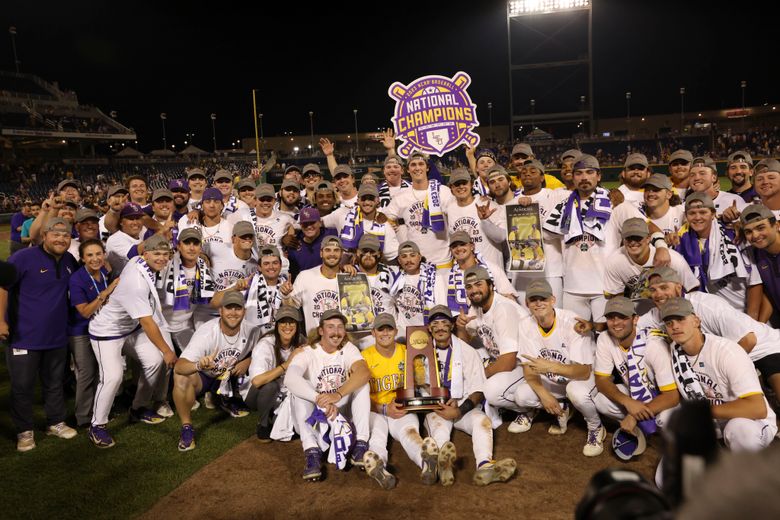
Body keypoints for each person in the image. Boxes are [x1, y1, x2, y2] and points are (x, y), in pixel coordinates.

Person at [639, 266, 780, 407]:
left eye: (664, 287)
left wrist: (717, 369)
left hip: (765, 347)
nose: (658, 294)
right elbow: (632, 327)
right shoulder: (656, 314)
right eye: (653, 290)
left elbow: (749, 339)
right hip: (727, 357)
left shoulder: (706, 305)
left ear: (678, 287)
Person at [87, 234, 177, 448]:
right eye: (156, 254)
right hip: (107, 332)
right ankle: (97, 425)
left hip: (129, 328)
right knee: (113, 376)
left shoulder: (138, 260)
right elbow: (147, 322)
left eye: (165, 254)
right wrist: (167, 350)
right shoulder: (135, 282)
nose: (162, 258)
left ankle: (138, 408)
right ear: (145, 254)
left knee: (154, 361)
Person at [1, 218, 79, 452]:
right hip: (23, 335)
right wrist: (0, 320)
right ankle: (24, 431)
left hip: (56, 336)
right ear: (44, 235)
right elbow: (2, 286)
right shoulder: (23, 258)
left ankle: (55, 422)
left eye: (65, 235)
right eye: (55, 234)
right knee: (22, 386)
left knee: (54, 382)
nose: (61, 239)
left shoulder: (68, 260)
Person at [660, 297, 777, 451]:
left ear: (696, 321)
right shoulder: (674, 351)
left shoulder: (726, 352)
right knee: (664, 418)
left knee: (738, 429)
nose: (675, 326)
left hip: (751, 421)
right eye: (669, 323)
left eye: (680, 319)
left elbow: (757, 408)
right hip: (714, 421)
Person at [423, 305, 517, 486]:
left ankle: (484, 466)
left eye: (445, 322)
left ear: (452, 325)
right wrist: (437, 401)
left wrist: (459, 411)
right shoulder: (421, 353)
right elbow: (419, 387)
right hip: (436, 407)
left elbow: (479, 390)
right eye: (436, 323)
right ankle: (444, 464)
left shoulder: (467, 351)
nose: (440, 327)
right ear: (429, 328)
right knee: (439, 428)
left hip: (462, 405)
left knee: (482, 422)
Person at [508, 280, 601, 456]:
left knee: (576, 392)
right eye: (533, 299)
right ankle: (562, 406)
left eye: (543, 298)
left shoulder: (571, 322)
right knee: (521, 396)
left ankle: (596, 427)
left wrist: (551, 366)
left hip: (583, 380)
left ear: (553, 300)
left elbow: (583, 371)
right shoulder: (525, 325)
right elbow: (528, 368)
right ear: (527, 304)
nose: (538, 303)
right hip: (555, 380)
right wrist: (545, 396)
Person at [585, 297, 679, 456]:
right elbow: (601, 380)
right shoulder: (605, 338)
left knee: (664, 418)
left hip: (666, 399)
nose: (616, 323)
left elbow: (672, 396)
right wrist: (627, 402)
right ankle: (639, 427)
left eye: (623, 317)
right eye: (611, 318)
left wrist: (634, 415)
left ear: (635, 319)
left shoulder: (654, 345)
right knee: (601, 400)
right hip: (636, 394)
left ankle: (668, 439)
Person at [284, 309, 371, 481]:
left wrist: (337, 395)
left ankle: (361, 444)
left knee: (362, 384)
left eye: (340, 327)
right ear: (321, 331)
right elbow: (290, 378)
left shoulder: (348, 348)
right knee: (300, 391)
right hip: (314, 417)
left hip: (339, 411)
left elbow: (363, 372)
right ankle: (311, 452)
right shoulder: (308, 352)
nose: (336, 332)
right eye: (330, 327)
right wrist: (320, 398)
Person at [172, 291, 259, 451]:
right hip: (204, 376)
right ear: (220, 311)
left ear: (244, 311)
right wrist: (198, 365)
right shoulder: (207, 333)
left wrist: (249, 360)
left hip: (228, 375)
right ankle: (186, 427)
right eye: (228, 308)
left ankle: (224, 398)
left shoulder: (252, 330)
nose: (233, 313)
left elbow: (267, 343)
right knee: (181, 378)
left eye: (237, 308)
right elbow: (179, 366)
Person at [362, 313, 438, 489]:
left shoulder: (407, 352)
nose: (385, 333)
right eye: (381, 329)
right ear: (373, 332)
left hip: (401, 406)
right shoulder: (364, 357)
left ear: (396, 331)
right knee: (377, 436)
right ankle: (380, 469)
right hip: (375, 409)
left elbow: (422, 381)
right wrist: (382, 409)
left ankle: (427, 464)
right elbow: (358, 397)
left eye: (389, 328)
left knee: (409, 433)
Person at [543, 154, 614, 327]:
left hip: (604, 286)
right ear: (573, 177)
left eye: (590, 172)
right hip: (573, 287)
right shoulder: (562, 205)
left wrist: (660, 242)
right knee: (575, 337)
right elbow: (546, 234)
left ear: (598, 176)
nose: (584, 177)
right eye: (579, 173)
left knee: (607, 335)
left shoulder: (613, 202)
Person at [455, 266, 527, 428]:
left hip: (527, 365)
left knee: (491, 390)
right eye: (469, 287)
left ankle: (529, 410)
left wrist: (479, 376)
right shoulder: (476, 307)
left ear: (491, 285)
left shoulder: (503, 308)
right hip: (508, 362)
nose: (474, 290)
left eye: (479, 284)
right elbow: (463, 345)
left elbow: (509, 361)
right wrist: (461, 328)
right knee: (468, 357)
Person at [674, 192, 762, 316]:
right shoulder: (680, 242)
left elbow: (754, 282)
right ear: (686, 216)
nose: (697, 217)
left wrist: (752, 320)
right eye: (692, 213)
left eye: (703, 212)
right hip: (710, 315)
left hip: (742, 310)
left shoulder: (735, 236)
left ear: (713, 214)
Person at [68, 239, 119, 428]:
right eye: (89, 255)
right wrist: (106, 292)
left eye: (98, 254)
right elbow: (85, 312)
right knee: (87, 373)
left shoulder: (105, 272)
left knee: (102, 372)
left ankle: (100, 411)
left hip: (103, 329)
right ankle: (83, 417)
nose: (95, 258)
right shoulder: (77, 279)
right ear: (82, 258)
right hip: (81, 331)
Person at [603, 218, 698, 313]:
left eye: (637, 237)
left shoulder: (673, 258)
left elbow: (692, 290)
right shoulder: (615, 261)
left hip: (674, 307)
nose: (632, 242)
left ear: (648, 238)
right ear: (623, 240)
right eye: (628, 238)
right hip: (640, 309)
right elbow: (616, 297)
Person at [508, 160, 570, 303]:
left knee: (554, 313)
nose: (527, 174)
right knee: (524, 316)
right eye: (524, 172)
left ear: (542, 177)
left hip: (551, 270)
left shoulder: (556, 196)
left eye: (533, 171)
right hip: (522, 269)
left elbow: (582, 194)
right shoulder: (513, 203)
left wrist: (609, 193)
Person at [383, 151, 454, 270]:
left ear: (427, 168)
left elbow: (454, 220)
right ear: (408, 170)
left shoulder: (443, 191)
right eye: (413, 165)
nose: (417, 168)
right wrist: (392, 227)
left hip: (443, 261)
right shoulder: (401, 196)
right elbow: (383, 220)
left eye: (421, 164)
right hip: (415, 265)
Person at [247, 305, 306, 442]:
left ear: (297, 325)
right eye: (283, 322)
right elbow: (257, 381)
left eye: (291, 322)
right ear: (276, 324)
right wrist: (286, 364)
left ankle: (276, 416)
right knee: (270, 386)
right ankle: (263, 424)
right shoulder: (266, 344)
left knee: (291, 428)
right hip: (257, 395)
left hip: (285, 393)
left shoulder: (301, 341)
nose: (287, 326)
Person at [156, 228, 215, 351]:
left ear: (200, 247)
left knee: (196, 357)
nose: (191, 248)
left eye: (195, 243)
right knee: (162, 362)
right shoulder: (165, 264)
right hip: (160, 323)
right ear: (179, 246)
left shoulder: (204, 268)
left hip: (184, 324)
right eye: (187, 243)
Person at [213, 245, 286, 336]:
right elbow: (214, 302)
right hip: (252, 339)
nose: (271, 267)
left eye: (275, 263)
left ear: (281, 265)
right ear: (259, 267)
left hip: (280, 339)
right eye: (266, 264)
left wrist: (286, 296)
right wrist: (235, 289)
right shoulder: (249, 283)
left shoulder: (287, 286)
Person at [283, 235, 345, 337]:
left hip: (340, 342)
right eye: (328, 250)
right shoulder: (305, 276)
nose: (332, 254)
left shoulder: (349, 280)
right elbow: (291, 307)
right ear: (321, 253)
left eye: (336, 250)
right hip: (315, 343)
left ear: (342, 254)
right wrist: (286, 295)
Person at [444, 168, 505, 269]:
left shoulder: (487, 204)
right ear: (451, 188)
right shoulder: (450, 209)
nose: (461, 187)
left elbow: (501, 238)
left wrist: (486, 221)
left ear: (471, 184)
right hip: (467, 274)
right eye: (457, 184)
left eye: (464, 183)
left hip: (491, 270)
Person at [328, 182, 399, 262]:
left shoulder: (384, 225)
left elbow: (393, 255)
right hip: (351, 266)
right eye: (364, 198)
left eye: (371, 199)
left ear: (377, 200)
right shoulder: (346, 218)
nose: (367, 202)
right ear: (358, 200)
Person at [446, 231, 516, 313]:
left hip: (493, 318)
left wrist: (492, 300)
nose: (458, 249)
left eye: (462, 244)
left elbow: (511, 298)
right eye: (454, 246)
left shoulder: (491, 267)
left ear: (472, 246)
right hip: (463, 322)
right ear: (451, 251)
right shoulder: (448, 276)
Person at [390, 241, 447, 340]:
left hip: (429, 330)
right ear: (399, 260)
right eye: (404, 256)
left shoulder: (435, 277)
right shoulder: (395, 278)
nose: (408, 260)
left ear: (419, 257)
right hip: (404, 332)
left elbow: (442, 307)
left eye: (412, 255)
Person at [351, 234, 396, 350]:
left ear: (379, 254)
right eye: (364, 251)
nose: (368, 255)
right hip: (358, 340)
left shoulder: (393, 274)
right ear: (357, 252)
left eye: (372, 252)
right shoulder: (347, 275)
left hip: (387, 336)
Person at [230, 183, 294, 252]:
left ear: (274, 201)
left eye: (269, 199)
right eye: (262, 199)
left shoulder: (284, 218)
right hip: (252, 261)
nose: (265, 202)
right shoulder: (243, 214)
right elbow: (223, 223)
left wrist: (290, 235)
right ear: (255, 200)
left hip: (277, 261)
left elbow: (300, 227)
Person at [287, 207, 338, 279]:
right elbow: (293, 273)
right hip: (307, 285)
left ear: (320, 223)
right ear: (300, 225)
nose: (309, 227)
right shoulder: (294, 243)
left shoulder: (333, 234)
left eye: (312, 222)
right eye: (305, 223)